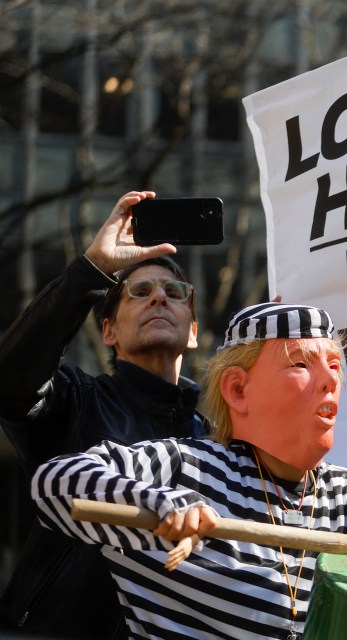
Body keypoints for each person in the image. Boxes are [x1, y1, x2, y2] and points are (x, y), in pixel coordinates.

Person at [30, 301, 347, 639]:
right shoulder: (185, 467)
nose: (331, 379)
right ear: (238, 390)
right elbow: (52, 485)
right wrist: (168, 506)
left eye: (333, 364)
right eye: (301, 364)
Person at [0, 190, 207, 638]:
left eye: (174, 292)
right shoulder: (74, 402)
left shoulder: (214, 441)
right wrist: (92, 269)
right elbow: (10, 380)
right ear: (109, 331)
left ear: (192, 333)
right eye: (139, 291)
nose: (159, 298)